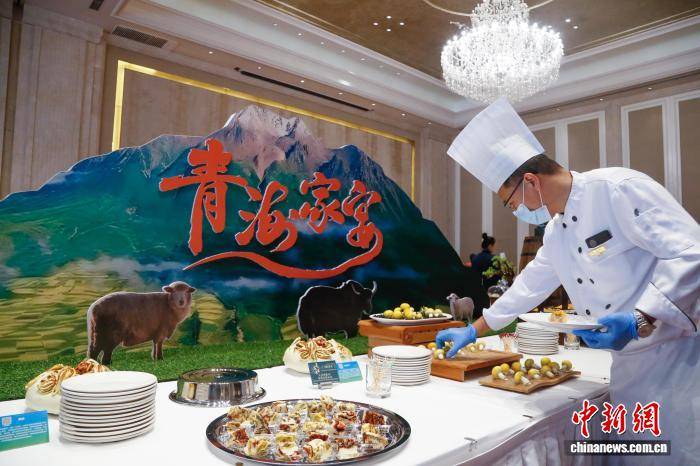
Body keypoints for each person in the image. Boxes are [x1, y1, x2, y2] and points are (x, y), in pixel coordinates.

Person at [436, 97, 699, 465]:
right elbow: (528, 286)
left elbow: (692, 253)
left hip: (676, 362)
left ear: (531, 181)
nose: (517, 211)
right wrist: (474, 329)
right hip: (626, 366)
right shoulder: (556, 232)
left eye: (511, 202)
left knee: (675, 454)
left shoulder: (617, 189)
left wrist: (641, 318)